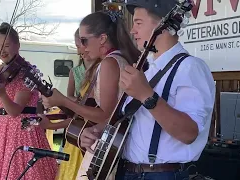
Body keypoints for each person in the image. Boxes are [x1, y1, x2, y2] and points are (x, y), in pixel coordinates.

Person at [79, 0, 216, 180]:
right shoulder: (147, 70)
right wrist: (96, 131)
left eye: (138, 23)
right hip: (128, 171)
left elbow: (189, 133)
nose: (132, 31)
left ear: (162, 25)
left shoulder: (190, 68)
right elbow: (131, 122)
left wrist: (147, 95)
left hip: (163, 174)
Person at [39, 10, 141, 180]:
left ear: (102, 38)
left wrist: (63, 100)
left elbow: (105, 115)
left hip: (110, 149)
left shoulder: (110, 62)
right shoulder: (119, 58)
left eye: (84, 40)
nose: (82, 47)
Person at [0, 22, 58, 180]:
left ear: (18, 45)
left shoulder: (26, 72)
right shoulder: (0, 71)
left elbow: (15, 111)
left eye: (6, 46)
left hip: (22, 130)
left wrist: (1, 93)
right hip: (2, 129)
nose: (1, 51)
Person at [39, 28, 95, 180]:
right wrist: (67, 100)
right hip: (77, 131)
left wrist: (68, 101)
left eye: (79, 45)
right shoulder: (75, 71)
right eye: (76, 46)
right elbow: (71, 98)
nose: (78, 51)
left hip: (91, 129)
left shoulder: (104, 68)